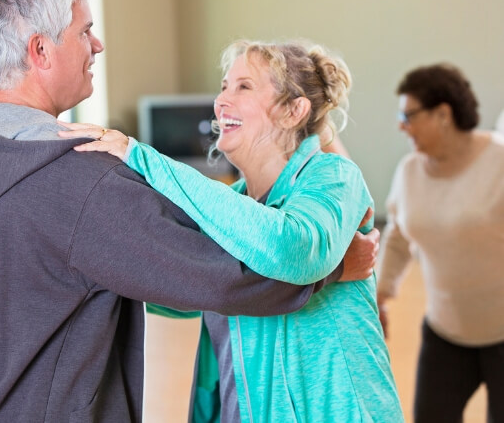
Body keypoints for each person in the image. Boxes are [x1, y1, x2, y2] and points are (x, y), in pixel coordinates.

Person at [0, 0, 377, 421]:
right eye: (85, 32)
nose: (96, 46)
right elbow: (228, 274)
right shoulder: (83, 180)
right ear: (40, 51)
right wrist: (326, 272)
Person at [60, 40, 403, 422]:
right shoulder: (232, 205)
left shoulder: (334, 177)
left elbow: (290, 249)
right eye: (224, 86)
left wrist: (144, 159)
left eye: (244, 86)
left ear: (293, 110)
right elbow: (183, 289)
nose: (221, 100)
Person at [377, 64, 504, 422]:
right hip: (446, 335)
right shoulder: (409, 171)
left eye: (409, 115)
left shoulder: (499, 160)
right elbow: (400, 236)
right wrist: (382, 292)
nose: (402, 126)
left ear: (444, 114)